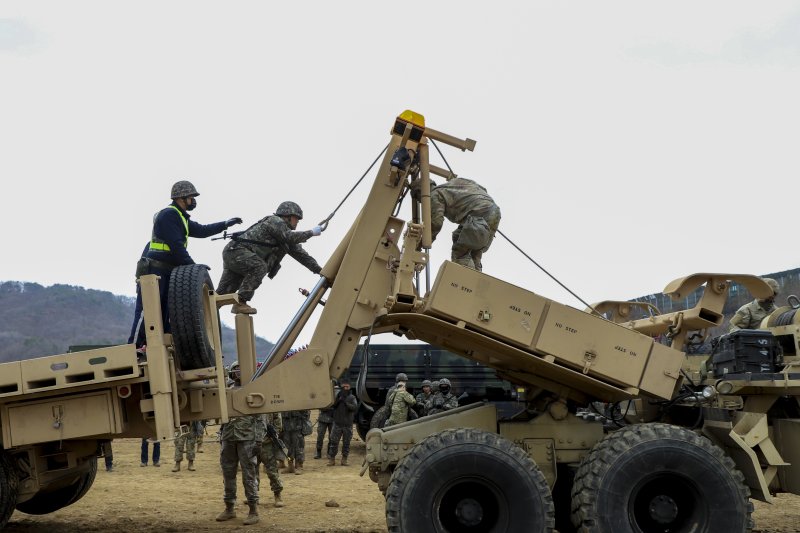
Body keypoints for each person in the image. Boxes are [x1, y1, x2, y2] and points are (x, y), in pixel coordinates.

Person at [128, 181, 242, 347]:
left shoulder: (180, 217)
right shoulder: (168, 215)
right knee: (150, 310)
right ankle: (135, 348)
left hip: (168, 271)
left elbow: (202, 230)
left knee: (166, 312)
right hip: (155, 270)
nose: (194, 201)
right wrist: (194, 269)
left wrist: (225, 224)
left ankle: (157, 348)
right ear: (182, 198)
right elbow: (176, 246)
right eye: (191, 197)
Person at [217, 201, 323, 315]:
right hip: (237, 252)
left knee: (221, 296)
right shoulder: (275, 221)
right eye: (296, 218)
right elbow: (290, 237)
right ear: (287, 216)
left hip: (235, 254)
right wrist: (311, 233)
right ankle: (240, 302)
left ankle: (203, 310)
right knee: (260, 267)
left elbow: (303, 256)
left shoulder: (284, 237)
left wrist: (321, 271)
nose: (297, 222)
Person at [413, 177, 501, 272]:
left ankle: (466, 281)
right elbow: (483, 189)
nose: (421, 202)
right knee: (473, 250)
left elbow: (436, 223)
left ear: (419, 192)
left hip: (478, 215)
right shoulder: (454, 182)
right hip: (494, 212)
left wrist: (420, 245)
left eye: (419, 200)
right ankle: (476, 283)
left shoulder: (434, 195)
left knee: (460, 252)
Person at [216, 367, 264, 525]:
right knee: (228, 474)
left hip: (247, 439)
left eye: (240, 370)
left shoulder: (253, 392)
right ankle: (229, 508)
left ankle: (253, 510)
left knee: (249, 475)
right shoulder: (227, 392)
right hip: (229, 438)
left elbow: (260, 419)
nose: (237, 373)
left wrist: (259, 440)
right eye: (235, 370)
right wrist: (221, 437)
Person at [327, 379, 358, 466]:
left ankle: (344, 460)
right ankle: (331, 459)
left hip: (347, 425)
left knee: (346, 443)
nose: (345, 388)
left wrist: (346, 403)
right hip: (337, 424)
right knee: (334, 442)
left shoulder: (352, 398)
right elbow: (332, 406)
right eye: (343, 387)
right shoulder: (338, 395)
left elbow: (354, 407)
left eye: (347, 387)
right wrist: (338, 401)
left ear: (350, 387)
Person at [257, 412, 286, 508]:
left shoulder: (269, 402)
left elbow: (278, 421)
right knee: (252, 471)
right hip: (251, 441)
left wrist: (274, 433)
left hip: (267, 443)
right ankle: (253, 495)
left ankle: (277, 495)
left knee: (272, 471)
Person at [281, 410, 311, 474]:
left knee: (299, 446)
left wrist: (304, 419)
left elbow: (307, 410)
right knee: (287, 447)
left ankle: (299, 466)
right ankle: (290, 465)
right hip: (286, 425)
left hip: (298, 425)